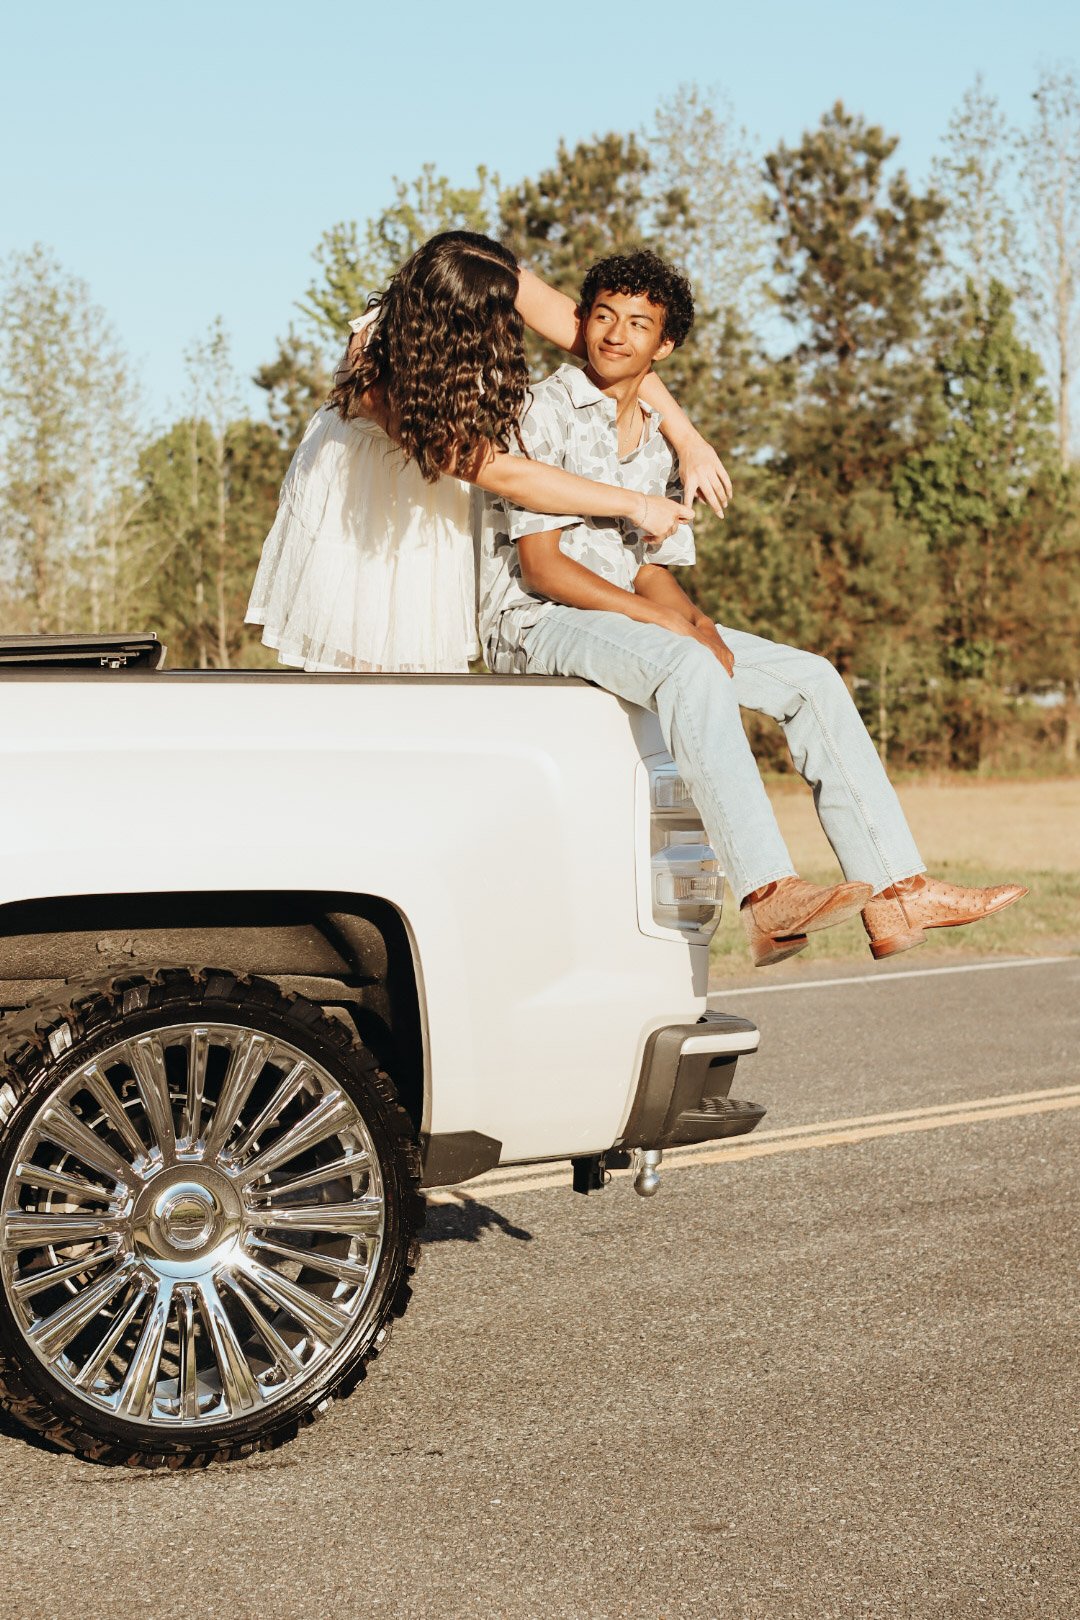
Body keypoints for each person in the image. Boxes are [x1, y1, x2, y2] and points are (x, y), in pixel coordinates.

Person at [478, 249, 1026, 965]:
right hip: (535, 622)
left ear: (663, 346)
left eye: (638, 324)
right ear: (581, 323)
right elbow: (544, 569)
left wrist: (699, 624)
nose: (616, 334)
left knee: (811, 678)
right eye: (604, 316)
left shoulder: (655, 436)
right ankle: (768, 898)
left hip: (620, 617)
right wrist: (672, 630)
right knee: (685, 661)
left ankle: (898, 892)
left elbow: (648, 571)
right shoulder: (541, 409)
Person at [246, 231, 730, 673]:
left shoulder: (483, 272)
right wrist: (636, 504)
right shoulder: (372, 371)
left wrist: (690, 440)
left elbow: (617, 349)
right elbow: (507, 475)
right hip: (372, 500)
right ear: (457, 318)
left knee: (429, 662)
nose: (511, 324)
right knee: (367, 653)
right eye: (499, 316)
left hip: (443, 496)